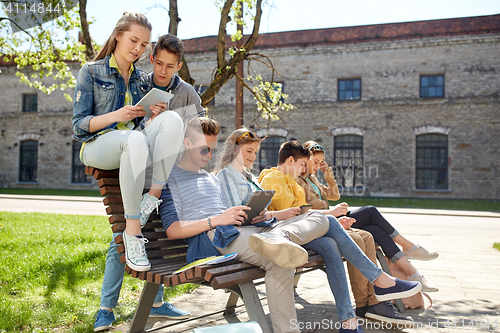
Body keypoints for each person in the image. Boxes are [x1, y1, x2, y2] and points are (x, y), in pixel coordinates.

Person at [215, 132, 420, 332]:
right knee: (337, 226)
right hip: (269, 233)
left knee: (339, 240)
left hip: (273, 228)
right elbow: (238, 212)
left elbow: (277, 210)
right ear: (234, 150)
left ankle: (349, 320)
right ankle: (378, 284)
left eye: (255, 151)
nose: (253, 155)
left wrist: (267, 214)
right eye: (249, 150)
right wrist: (274, 215)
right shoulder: (246, 176)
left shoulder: (252, 177)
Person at [72, 15, 192, 331]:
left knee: (172, 122)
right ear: (117, 37)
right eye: (133, 41)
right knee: (135, 138)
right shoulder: (92, 72)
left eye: (142, 45)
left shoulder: (141, 79)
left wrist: (153, 119)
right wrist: (118, 116)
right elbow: (79, 126)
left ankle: (151, 197)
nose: (137, 49)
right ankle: (133, 232)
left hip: (134, 152)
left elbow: (141, 130)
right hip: (99, 145)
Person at [297, 141, 439, 297]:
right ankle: (409, 247)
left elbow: (335, 195)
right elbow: (304, 211)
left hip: (332, 220)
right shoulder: (299, 181)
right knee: (370, 211)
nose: (317, 166)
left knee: (376, 231)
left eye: (320, 162)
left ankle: (413, 273)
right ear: (304, 159)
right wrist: (333, 211)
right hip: (324, 224)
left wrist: (327, 173)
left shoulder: (313, 179)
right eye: (315, 162)